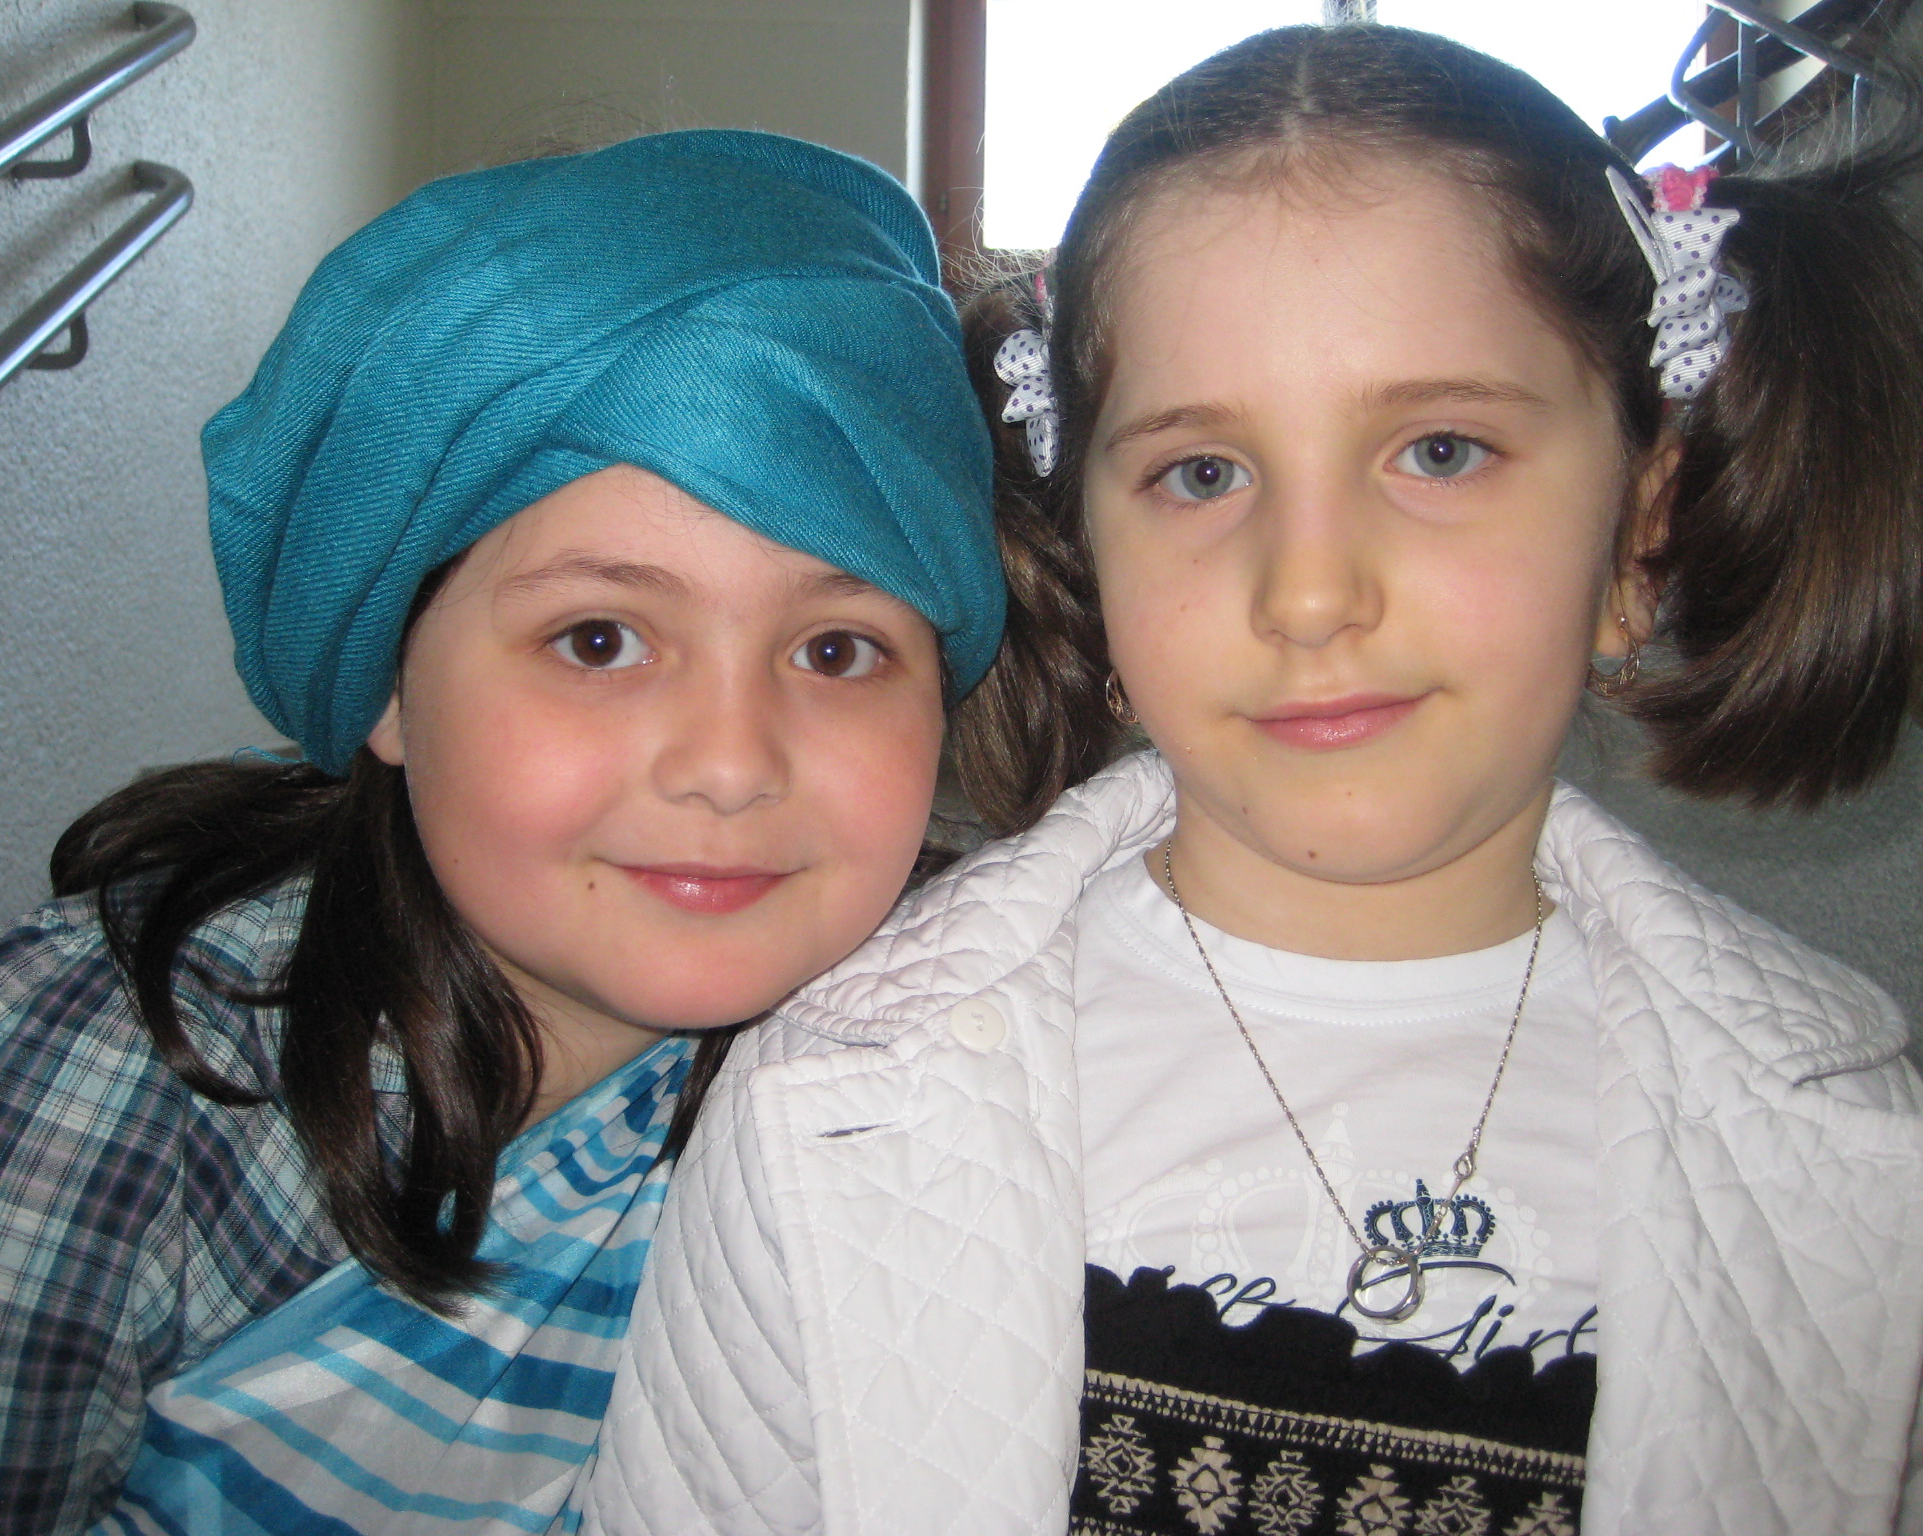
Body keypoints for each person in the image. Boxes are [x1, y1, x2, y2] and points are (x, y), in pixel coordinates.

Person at [579, 27, 1923, 1536]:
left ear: (1639, 532)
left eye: (1440, 450)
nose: (1310, 591)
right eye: (1202, 474)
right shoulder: (820, 1105)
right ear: (1091, 547)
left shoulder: (1861, 1164)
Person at [0, 128, 1000, 1536]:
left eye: (836, 652)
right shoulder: (115, 1071)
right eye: (599, 639)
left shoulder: (957, 1044)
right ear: (390, 688)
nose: (730, 765)